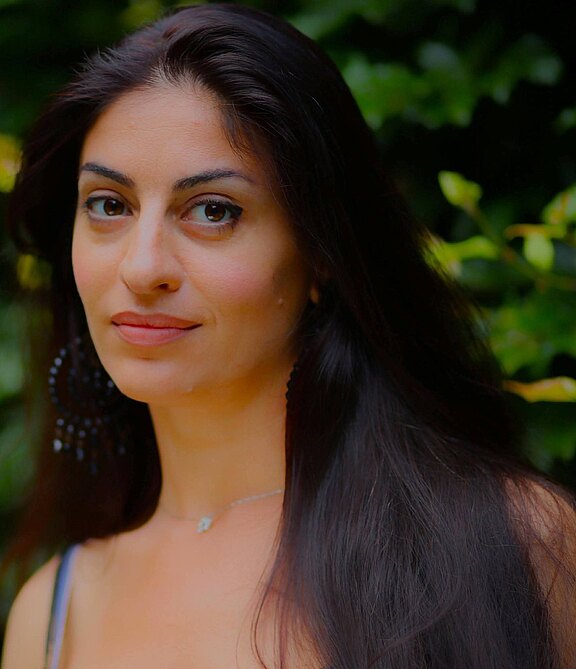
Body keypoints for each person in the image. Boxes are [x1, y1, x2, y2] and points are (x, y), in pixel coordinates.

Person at [1, 4, 575, 668]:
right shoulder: (52, 615)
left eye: (213, 210)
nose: (141, 266)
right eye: (109, 205)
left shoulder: (517, 543)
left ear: (321, 254)